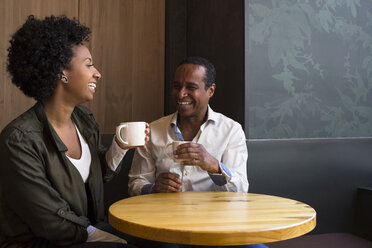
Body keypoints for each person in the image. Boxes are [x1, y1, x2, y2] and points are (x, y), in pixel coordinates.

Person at [0, 15, 148, 248]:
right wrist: (109, 238)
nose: (97, 73)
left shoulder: (84, 120)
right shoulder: (18, 141)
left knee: (160, 240)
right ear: (61, 72)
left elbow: (95, 175)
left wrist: (120, 146)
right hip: (43, 242)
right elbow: (49, 221)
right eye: (88, 64)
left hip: (88, 231)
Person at [128, 56, 268, 248]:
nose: (180, 94)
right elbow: (135, 184)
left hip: (217, 226)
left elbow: (241, 191)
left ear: (210, 90)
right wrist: (153, 188)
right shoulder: (153, 131)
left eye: (191, 87)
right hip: (164, 225)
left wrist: (213, 165)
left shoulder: (231, 130)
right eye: (177, 86)